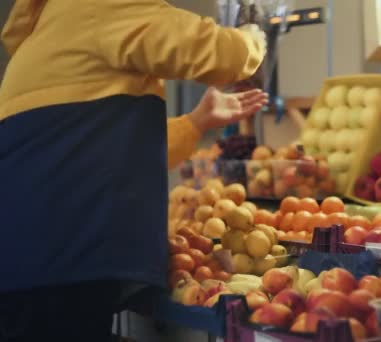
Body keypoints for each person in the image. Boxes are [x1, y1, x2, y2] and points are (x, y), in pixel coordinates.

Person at [0, 0, 267, 341]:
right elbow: (217, 52)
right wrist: (254, 38)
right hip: (62, 257)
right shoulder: (99, 5)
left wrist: (196, 123)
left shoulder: (52, 31)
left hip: (35, 260)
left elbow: (112, 150)